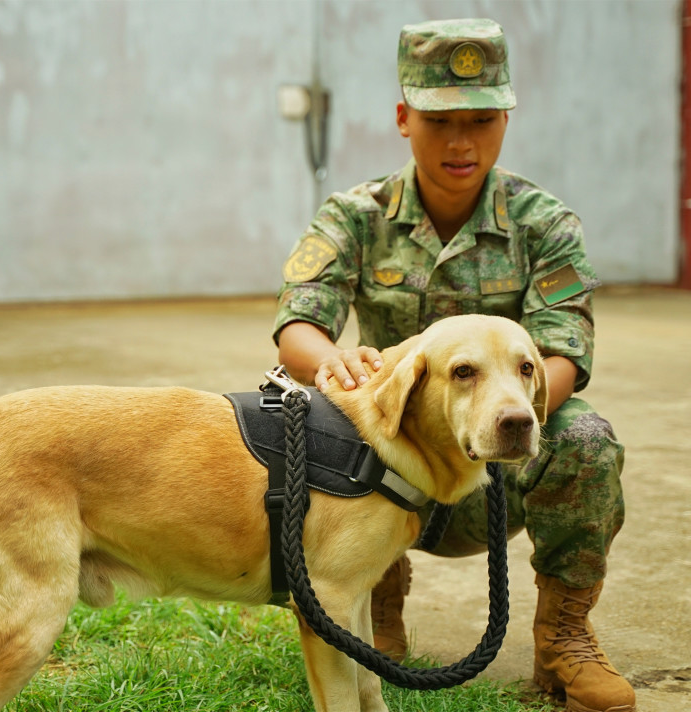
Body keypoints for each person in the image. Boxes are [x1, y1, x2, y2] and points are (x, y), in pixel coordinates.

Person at [271, 18, 634, 712]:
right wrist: (337, 362)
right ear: (404, 118)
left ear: (505, 119)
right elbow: (299, 322)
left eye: (482, 119)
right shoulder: (356, 215)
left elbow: (564, 349)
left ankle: (563, 638)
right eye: (440, 120)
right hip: (389, 464)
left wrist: (510, 417)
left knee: (586, 440)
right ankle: (373, 609)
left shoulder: (544, 223)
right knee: (326, 420)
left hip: (495, 470)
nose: (462, 141)